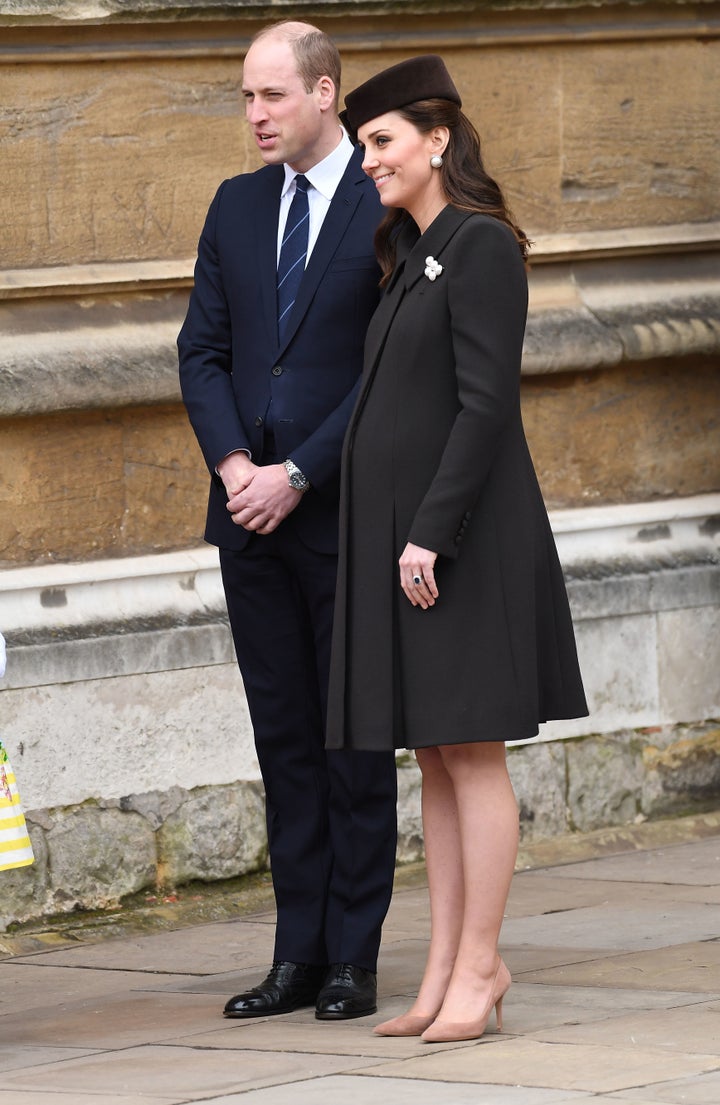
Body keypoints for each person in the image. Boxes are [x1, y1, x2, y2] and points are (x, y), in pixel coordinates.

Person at [327, 55, 588, 1043]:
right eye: (361, 147)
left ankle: (481, 962)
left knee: (471, 755)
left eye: (382, 141)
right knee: (435, 755)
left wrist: (429, 532)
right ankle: (444, 967)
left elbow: (485, 408)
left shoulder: (477, 245)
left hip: (459, 543)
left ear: (438, 140)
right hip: (411, 546)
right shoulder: (410, 253)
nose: (369, 162)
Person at [178, 21, 398, 1022]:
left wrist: (301, 471)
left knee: (353, 741)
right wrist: (235, 466)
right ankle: (296, 952)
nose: (257, 116)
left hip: (345, 514)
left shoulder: (384, 199)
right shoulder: (235, 205)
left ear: (325, 92)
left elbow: (391, 367)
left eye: (273, 96)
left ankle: (355, 954)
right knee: (285, 744)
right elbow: (204, 353)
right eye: (246, 98)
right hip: (247, 521)